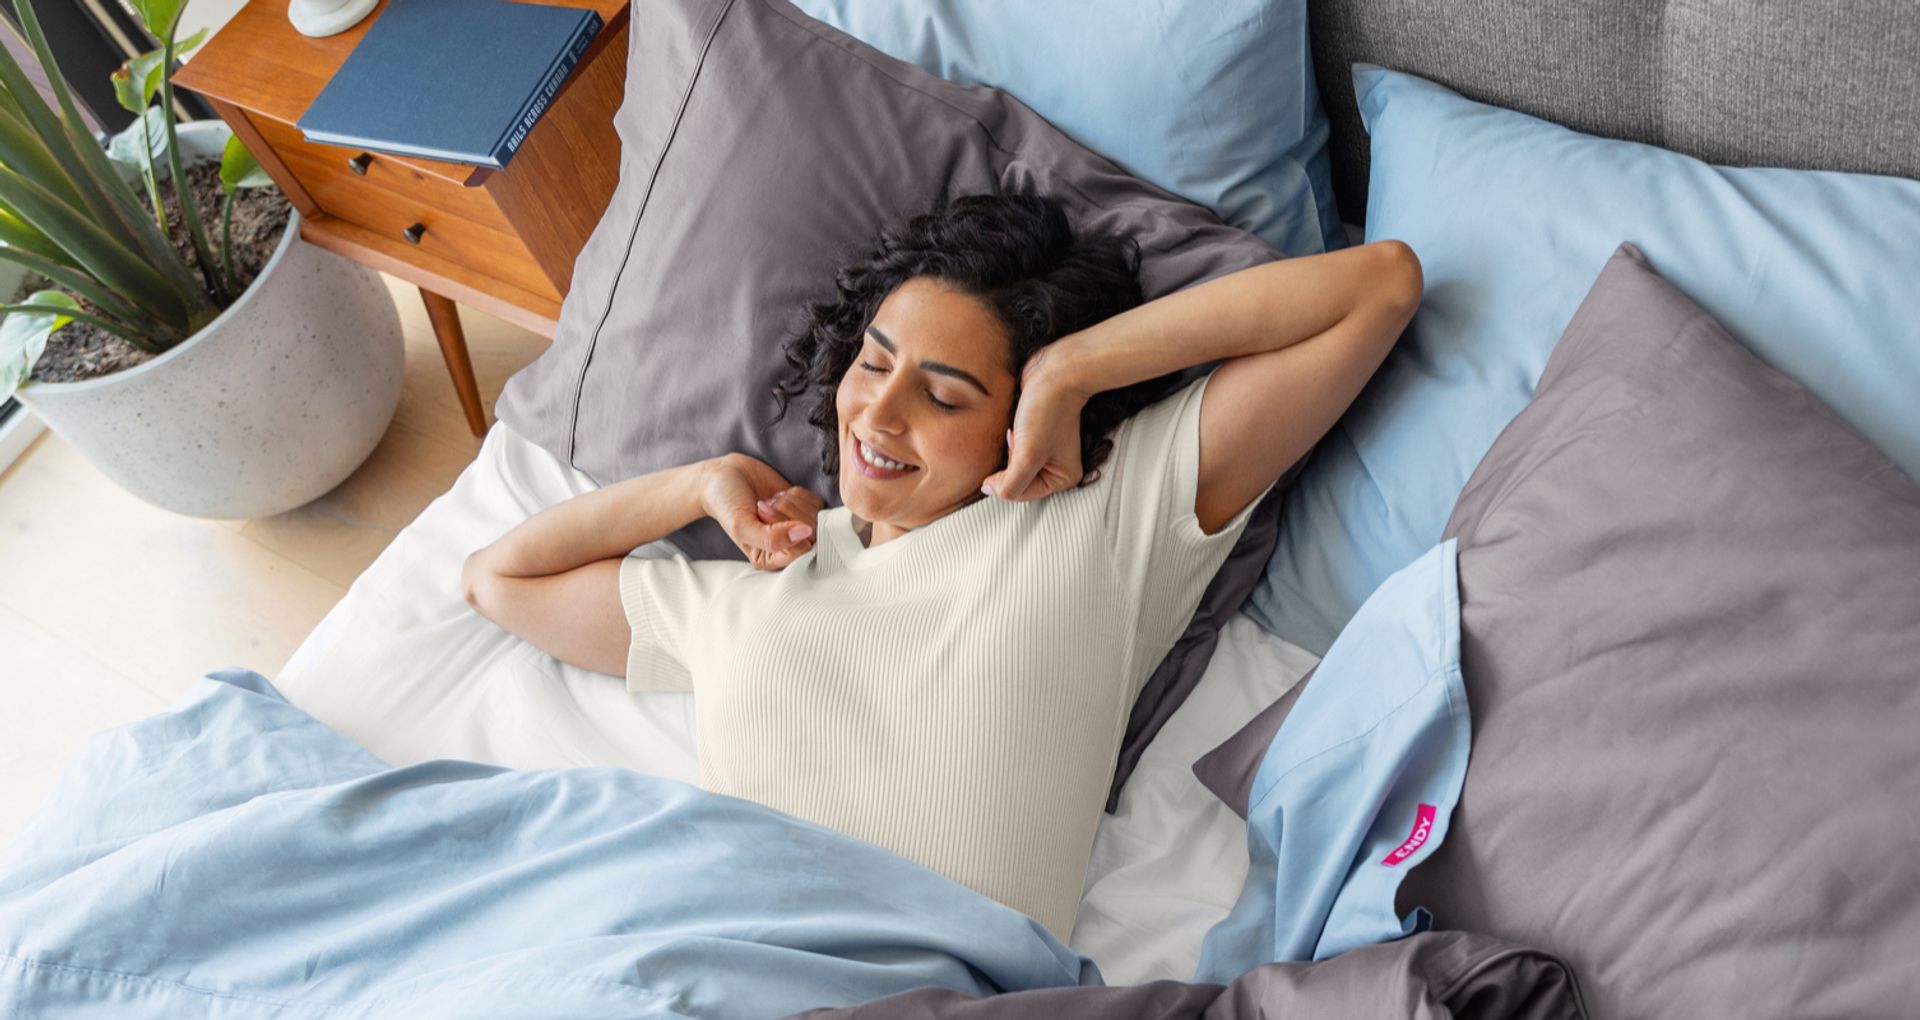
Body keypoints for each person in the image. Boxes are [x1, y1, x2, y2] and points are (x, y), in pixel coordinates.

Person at [462, 191, 1421, 943]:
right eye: (874, 364)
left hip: (932, 976)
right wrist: (701, 486)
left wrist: (1069, 370)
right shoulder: (768, 576)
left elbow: (1377, 285)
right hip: (713, 944)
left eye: (944, 396)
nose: (878, 417)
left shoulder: (1104, 516)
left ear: (1017, 423)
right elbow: (499, 581)